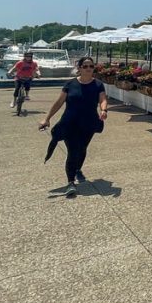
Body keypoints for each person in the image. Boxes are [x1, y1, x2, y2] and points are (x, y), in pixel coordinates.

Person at [39, 56, 107, 198]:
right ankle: (71, 182)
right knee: (73, 151)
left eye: (91, 66)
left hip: (88, 123)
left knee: (82, 149)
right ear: (79, 68)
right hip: (69, 123)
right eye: (85, 66)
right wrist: (47, 118)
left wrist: (104, 110)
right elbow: (59, 102)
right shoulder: (70, 84)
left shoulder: (98, 84)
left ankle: (77, 169)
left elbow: (103, 99)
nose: (89, 69)